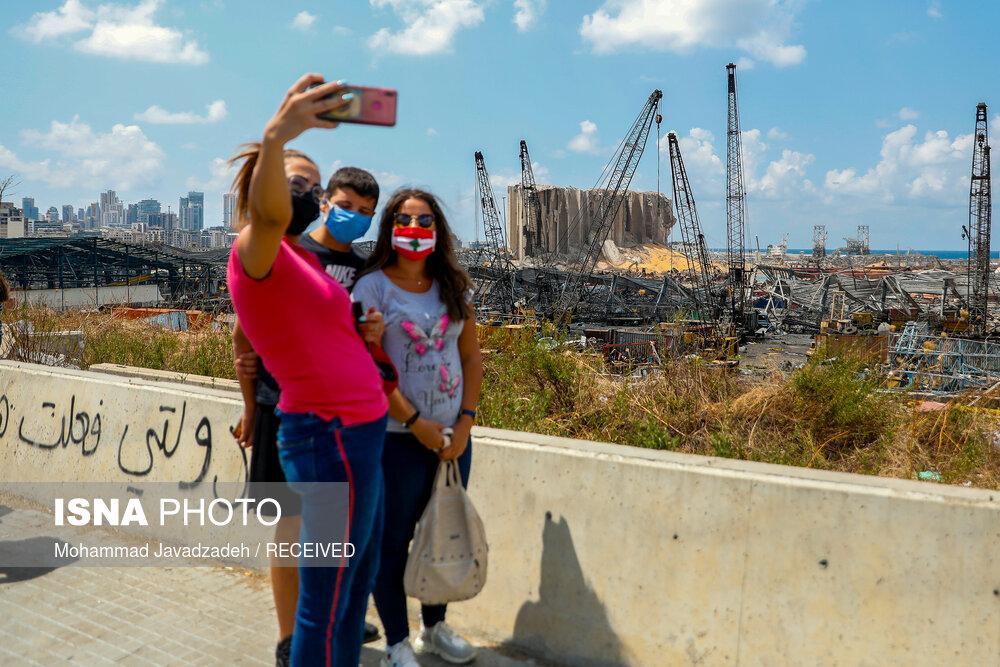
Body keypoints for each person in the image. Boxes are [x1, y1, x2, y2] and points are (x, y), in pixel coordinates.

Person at [227, 73, 388, 667]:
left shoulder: (302, 262)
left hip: (357, 429)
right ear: (265, 188)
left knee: (349, 592)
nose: (309, 197)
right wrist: (277, 135)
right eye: (300, 185)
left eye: (315, 189)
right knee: (324, 600)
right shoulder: (256, 248)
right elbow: (269, 216)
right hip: (327, 431)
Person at [352, 189, 483, 667]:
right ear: (389, 229)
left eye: (424, 221)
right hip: (396, 439)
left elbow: (470, 356)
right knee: (392, 542)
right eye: (404, 220)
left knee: (439, 531)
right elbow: (369, 364)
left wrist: (464, 423)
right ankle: (396, 641)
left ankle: (435, 627)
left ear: (438, 230)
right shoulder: (373, 288)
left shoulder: (452, 287)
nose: (414, 229)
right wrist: (413, 421)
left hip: (452, 438)